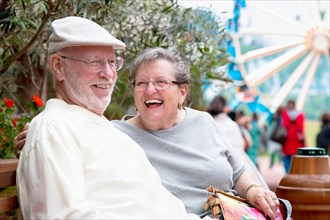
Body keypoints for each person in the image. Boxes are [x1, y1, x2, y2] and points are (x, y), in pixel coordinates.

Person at [15, 47, 280, 219]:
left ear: (182, 92)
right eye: (141, 83)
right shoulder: (117, 133)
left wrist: (254, 189)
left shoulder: (203, 122)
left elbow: (236, 169)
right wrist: (34, 134)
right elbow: (74, 133)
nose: (150, 90)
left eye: (161, 82)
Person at [16, 16, 199, 219]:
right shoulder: (55, 129)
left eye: (112, 62)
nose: (109, 74)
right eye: (95, 62)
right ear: (59, 67)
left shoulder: (105, 129)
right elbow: (62, 216)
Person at [207, 96, 266, 185]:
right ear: (224, 107)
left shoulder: (209, 124)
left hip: (215, 166)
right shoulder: (231, 124)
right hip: (239, 163)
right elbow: (242, 145)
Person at [281, 99, 305, 173]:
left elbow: (283, 125)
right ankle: (295, 174)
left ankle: (288, 173)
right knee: (296, 159)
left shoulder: (285, 114)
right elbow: (300, 128)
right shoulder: (300, 115)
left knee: (286, 159)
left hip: (287, 139)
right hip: (296, 140)